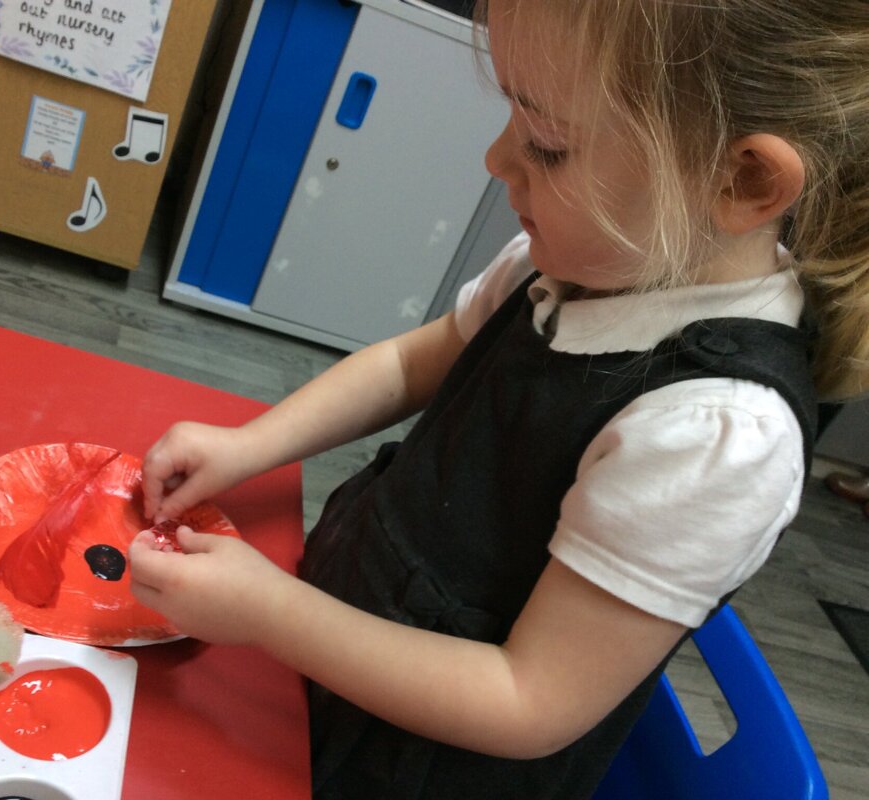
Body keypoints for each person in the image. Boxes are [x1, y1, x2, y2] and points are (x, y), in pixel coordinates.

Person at [129, 1, 869, 797]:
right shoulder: (575, 262)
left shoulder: (713, 435)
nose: (496, 158)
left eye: (547, 145)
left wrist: (268, 611)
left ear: (743, 179)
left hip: (416, 768)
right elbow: (412, 365)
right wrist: (250, 445)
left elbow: (528, 701)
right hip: (327, 656)